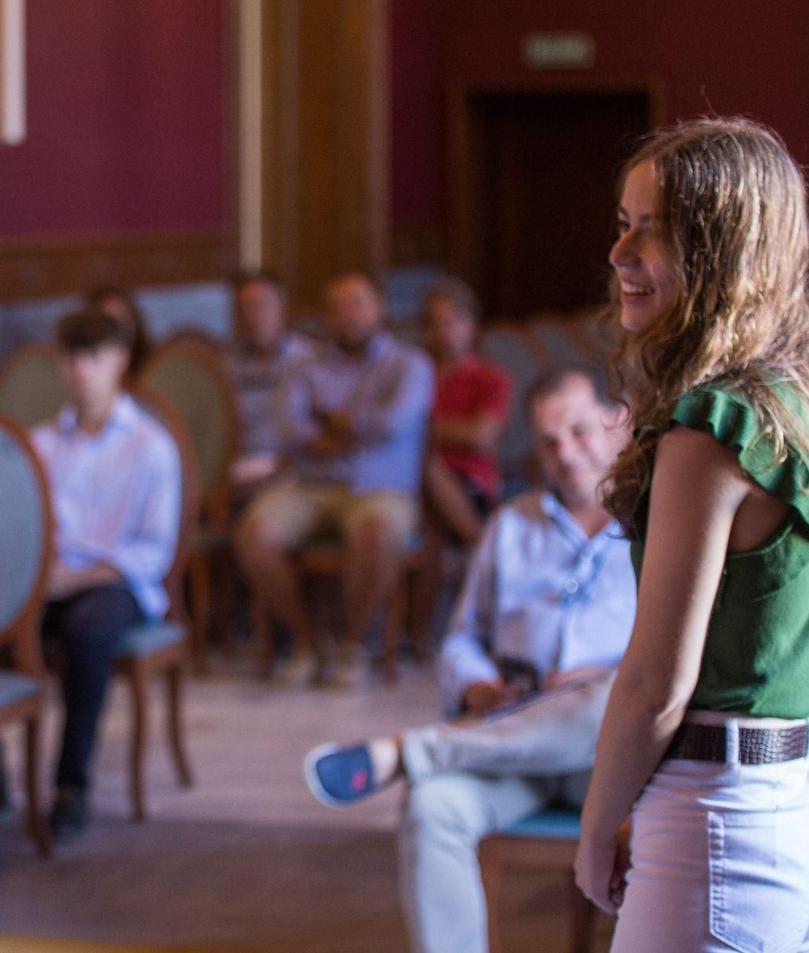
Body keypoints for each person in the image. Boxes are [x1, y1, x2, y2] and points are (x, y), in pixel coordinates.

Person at [573, 119, 809, 951]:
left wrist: (599, 824)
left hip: (719, 823)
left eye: (651, 229)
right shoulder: (802, 401)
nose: (619, 251)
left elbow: (654, 684)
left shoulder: (715, 426)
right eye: (622, 221)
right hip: (790, 809)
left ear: (720, 251)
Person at [305, 367, 637, 953]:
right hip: (517, 739)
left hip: (611, 763)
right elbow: (458, 638)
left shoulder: (654, 530)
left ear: (620, 427)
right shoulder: (511, 527)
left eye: (581, 432)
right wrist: (480, 686)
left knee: (609, 699)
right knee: (433, 804)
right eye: (549, 442)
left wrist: (600, 681)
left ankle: (414, 750)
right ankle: (423, 760)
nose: (566, 453)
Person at [234, 272, 435, 685]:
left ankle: (352, 646)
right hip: (311, 484)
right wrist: (347, 432)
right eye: (338, 307)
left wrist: (330, 422)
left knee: (377, 534)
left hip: (380, 487)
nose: (349, 316)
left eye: (358, 304)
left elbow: (391, 424)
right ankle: (309, 643)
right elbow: (288, 427)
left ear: (379, 308)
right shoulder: (303, 364)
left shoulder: (410, 364)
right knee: (255, 535)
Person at [30, 308, 181, 841]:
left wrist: (79, 577)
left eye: (91, 357)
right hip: (50, 578)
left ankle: (71, 786)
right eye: (71, 358)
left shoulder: (150, 445)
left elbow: (153, 551)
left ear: (118, 360)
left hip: (120, 584)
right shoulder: (43, 443)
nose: (79, 370)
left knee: (86, 631)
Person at [420, 277, 511, 546]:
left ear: (471, 325)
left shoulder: (491, 378)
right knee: (427, 524)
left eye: (453, 321)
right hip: (415, 486)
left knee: (428, 464)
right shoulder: (416, 374)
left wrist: (421, 429)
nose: (444, 331)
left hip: (472, 483)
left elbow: (481, 436)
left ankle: (482, 547)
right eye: (435, 323)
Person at [225, 269, 314, 494]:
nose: (251, 318)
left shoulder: (310, 359)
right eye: (243, 309)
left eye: (259, 306)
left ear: (282, 310)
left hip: (296, 471)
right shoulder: (226, 364)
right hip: (238, 467)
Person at [85, 283, 153, 382]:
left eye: (124, 320)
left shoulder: (156, 366)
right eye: (109, 322)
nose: (119, 329)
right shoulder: (83, 371)